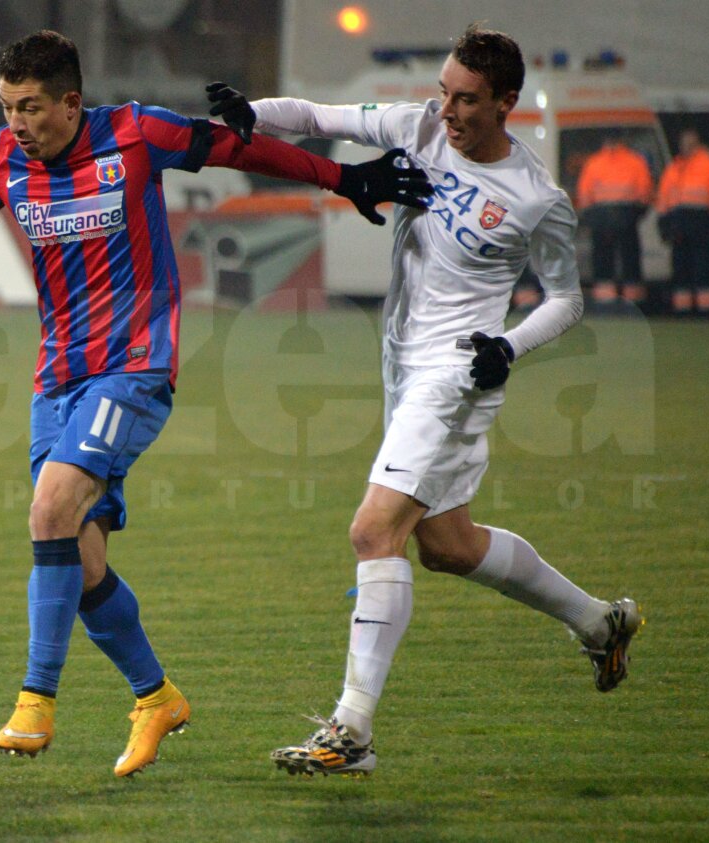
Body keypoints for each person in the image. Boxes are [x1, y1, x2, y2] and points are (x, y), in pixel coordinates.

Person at [0, 30, 430, 778]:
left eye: (31, 107)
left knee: (50, 510)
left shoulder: (137, 134)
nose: (16, 123)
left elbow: (237, 151)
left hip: (134, 367)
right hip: (56, 378)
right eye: (7, 107)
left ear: (72, 101)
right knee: (78, 556)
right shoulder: (1, 157)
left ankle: (35, 699)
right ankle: (156, 697)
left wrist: (344, 177)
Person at [207, 23, 641, 777]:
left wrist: (509, 346)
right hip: (402, 365)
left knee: (374, 530)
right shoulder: (420, 129)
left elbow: (567, 299)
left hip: (458, 373)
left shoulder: (537, 198)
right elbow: (316, 115)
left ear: (506, 103)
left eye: (466, 99)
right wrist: (254, 113)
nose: (448, 111)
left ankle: (352, 730)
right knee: (448, 546)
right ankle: (600, 622)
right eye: (444, 92)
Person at [575, 133, 653, 306]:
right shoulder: (635, 162)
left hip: (601, 218)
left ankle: (606, 303)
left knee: (603, 262)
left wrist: (590, 217)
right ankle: (633, 303)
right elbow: (645, 193)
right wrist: (637, 213)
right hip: (627, 217)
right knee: (630, 261)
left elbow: (584, 194)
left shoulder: (594, 163)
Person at [656, 129, 709, 315]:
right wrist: (663, 223)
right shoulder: (674, 167)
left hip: (701, 223)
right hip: (678, 224)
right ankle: (683, 310)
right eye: (684, 143)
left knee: (703, 269)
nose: (686, 147)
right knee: (680, 269)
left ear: (698, 144)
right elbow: (664, 198)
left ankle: (705, 311)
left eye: (690, 143)